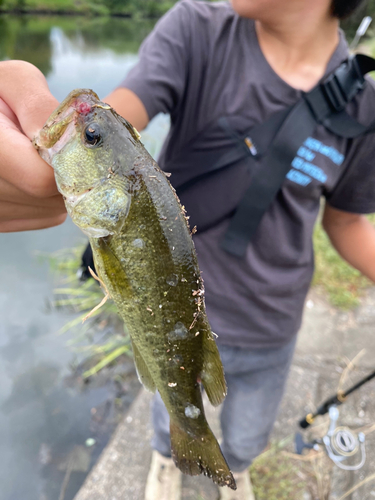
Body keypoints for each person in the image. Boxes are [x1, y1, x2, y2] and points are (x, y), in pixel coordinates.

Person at [2, 0, 375, 499]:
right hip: (174, 327)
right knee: (170, 406)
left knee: (246, 435)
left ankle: (233, 470)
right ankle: (167, 456)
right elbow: (119, 117)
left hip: (274, 324)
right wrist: (29, 133)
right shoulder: (197, 30)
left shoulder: (361, 104)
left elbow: (347, 222)